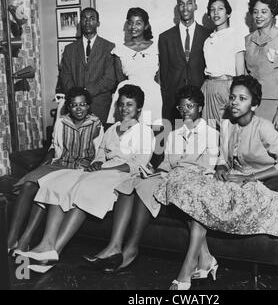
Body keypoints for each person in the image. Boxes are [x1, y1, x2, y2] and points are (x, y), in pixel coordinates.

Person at [154, 75, 278, 290]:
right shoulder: (227, 124)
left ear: (254, 104)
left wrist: (251, 177)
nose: (235, 102)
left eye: (242, 98)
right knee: (192, 193)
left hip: (252, 186)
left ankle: (188, 268)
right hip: (229, 181)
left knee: (198, 200)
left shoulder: (263, 127)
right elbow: (223, 155)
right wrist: (221, 165)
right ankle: (206, 259)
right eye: (232, 97)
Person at [82, 85, 219, 274]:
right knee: (130, 182)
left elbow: (208, 169)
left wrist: (172, 174)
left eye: (190, 106)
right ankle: (114, 247)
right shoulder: (173, 135)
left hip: (191, 180)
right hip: (169, 176)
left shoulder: (212, 134)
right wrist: (153, 169)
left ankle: (131, 249)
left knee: (145, 187)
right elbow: (166, 163)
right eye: (182, 107)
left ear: (200, 108)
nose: (185, 111)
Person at [18, 85, 155, 273]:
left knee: (84, 188)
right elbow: (100, 153)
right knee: (60, 183)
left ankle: (54, 249)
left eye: (129, 105)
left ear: (139, 108)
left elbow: (138, 164)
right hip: (101, 172)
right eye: (121, 104)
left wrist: (107, 168)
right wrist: (98, 163)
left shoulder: (144, 132)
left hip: (121, 176)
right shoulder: (112, 129)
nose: (124, 109)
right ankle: (45, 244)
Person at [7, 87, 103, 253]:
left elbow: (101, 151)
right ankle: (11, 239)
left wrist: (97, 163)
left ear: (88, 106)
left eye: (82, 104)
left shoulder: (96, 124)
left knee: (46, 189)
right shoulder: (61, 122)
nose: (78, 108)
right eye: (74, 105)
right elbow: (54, 147)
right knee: (29, 184)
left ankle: (25, 240)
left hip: (79, 169)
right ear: (69, 107)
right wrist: (43, 164)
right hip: (60, 164)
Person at [158, 0, 211, 124]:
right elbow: (164, 73)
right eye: (181, 4)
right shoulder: (165, 37)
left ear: (195, 6)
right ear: (177, 7)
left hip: (200, 96)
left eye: (189, 3)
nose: (185, 8)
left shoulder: (208, 35)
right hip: (174, 99)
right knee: (175, 139)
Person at [245, 0, 278, 129]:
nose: (259, 16)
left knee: (276, 148)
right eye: (255, 12)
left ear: (273, 13)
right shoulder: (247, 40)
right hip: (252, 105)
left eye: (264, 11)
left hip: (276, 106)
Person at [60, 7, 116, 126]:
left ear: (98, 23)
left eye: (92, 18)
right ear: (80, 22)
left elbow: (110, 79)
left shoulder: (109, 47)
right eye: (84, 18)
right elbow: (65, 76)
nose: (88, 22)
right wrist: (76, 97)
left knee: (99, 142)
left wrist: (87, 92)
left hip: (100, 106)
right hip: (75, 106)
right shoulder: (69, 49)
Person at [107, 7, 162, 127]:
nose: (133, 27)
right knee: (128, 132)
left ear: (146, 26)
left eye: (138, 23)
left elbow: (159, 78)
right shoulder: (119, 50)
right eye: (130, 23)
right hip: (128, 97)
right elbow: (120, 79)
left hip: (152, 96)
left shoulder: (156, 47)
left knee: (150, 132)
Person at [201, 0, 245, 129]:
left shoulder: (236, 36)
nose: (216, 12)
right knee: (209, 133)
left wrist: (237, 94)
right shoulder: (208, 40)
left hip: (228, 87)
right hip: (208, 88)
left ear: (228, 13)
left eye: (220, 9)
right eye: (212, 9)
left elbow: (240, 70)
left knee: (229, 132)